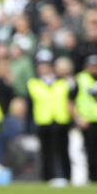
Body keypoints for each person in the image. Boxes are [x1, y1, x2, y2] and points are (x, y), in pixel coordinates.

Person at [27, 55, 73, 183]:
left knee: (63, 150)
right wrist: (29, 125)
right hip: (43, 121)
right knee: (46, 152)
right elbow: (30, 106)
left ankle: (66, 177)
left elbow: (70, 101)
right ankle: (48, 177)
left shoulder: (63, 82)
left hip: (61, 120)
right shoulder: (33, 83)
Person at [71, 55, 97, 184]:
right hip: (88, 122)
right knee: (91, 153)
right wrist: (78, 118)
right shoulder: (80, 79)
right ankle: (94, 179)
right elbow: (70, 100)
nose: (94, 68)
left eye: (96, 66)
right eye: (91, 66)